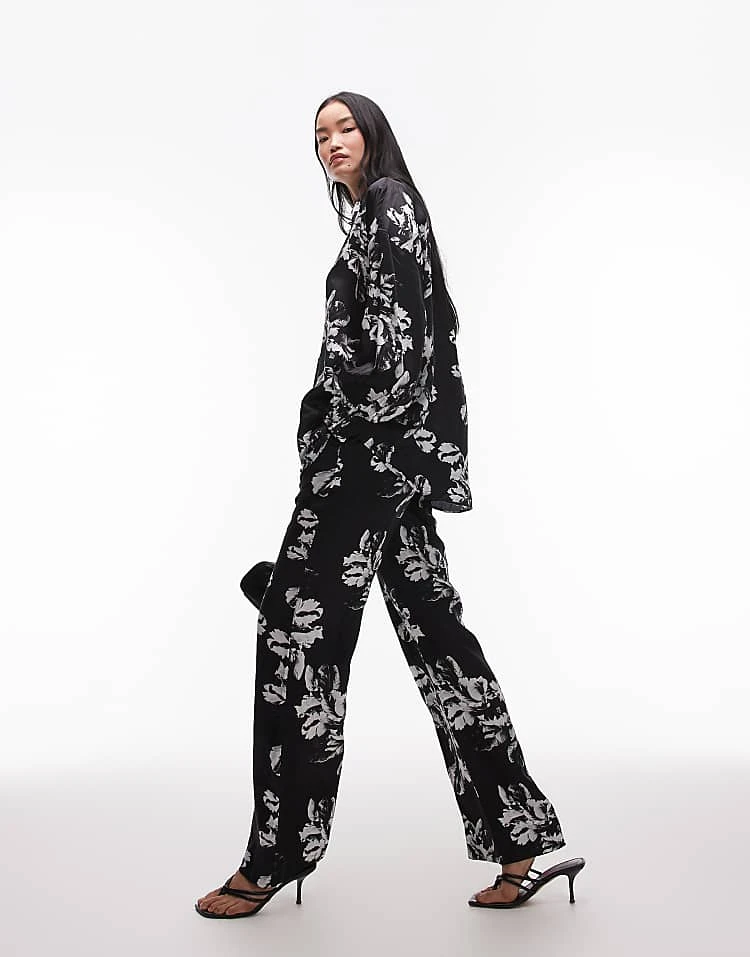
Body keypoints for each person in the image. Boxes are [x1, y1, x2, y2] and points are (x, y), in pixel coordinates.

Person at [195, 91, 584, 919]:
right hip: (392, 467)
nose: (332, 142)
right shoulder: (375, 217)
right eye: (320, 134)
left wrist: (329, 427)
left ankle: (275, 855)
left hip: (364, 465)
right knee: (441, 641)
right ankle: (523, 840)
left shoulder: (387, 203)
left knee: (295, 640)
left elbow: (401, 357)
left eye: (346, 127)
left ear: (373, 134)